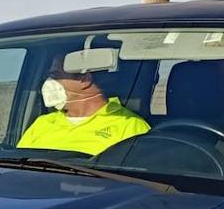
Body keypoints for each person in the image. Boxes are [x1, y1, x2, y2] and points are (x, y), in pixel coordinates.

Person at [17, 54, 150, 155]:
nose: (48, 82)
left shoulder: (130, 126)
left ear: (84, 79)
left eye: (56, 75)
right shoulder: (42, 123)